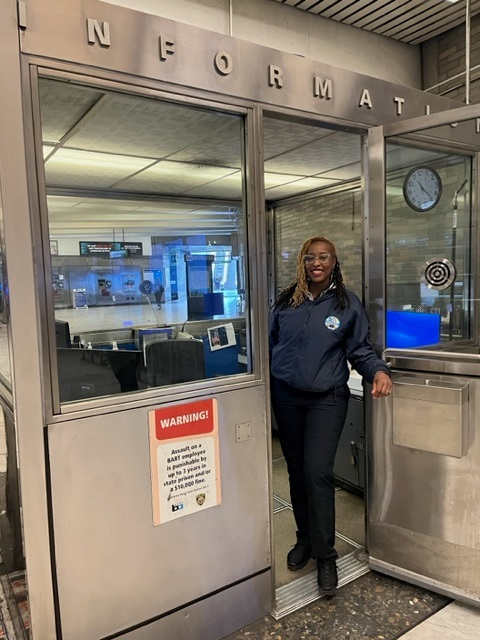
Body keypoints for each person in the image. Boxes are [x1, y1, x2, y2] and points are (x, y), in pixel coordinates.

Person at [268, 235, 392, 598]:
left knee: (317, 472)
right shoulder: (285, 300)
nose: (316, 263)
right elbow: (271, 344)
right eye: (310, 257)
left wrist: (378, 372)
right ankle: (304, 539)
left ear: (334, 262)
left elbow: (361, 350)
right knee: (294, 470)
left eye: (323, 257)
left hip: (327, 398)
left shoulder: (346, 304)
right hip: (287, 397)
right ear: (302, 262)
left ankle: (326, 555)